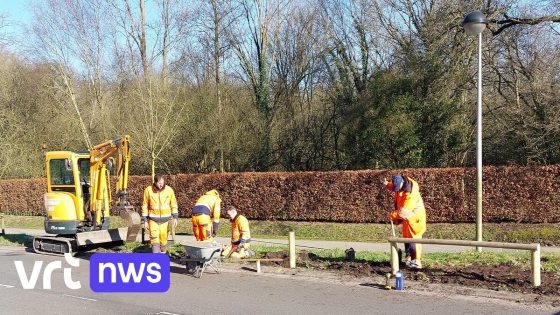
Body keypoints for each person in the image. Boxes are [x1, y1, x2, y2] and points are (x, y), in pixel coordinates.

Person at [385, 174, 427, 269]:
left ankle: (416, 261)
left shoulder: (410, 193)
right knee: (406, 238)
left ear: (402, 183)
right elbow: (394, 186)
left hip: (415, 218)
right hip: (407, 218)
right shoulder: (400, 184)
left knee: (414, 239)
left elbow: (404, 211)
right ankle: (408, 258)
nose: (396, 190)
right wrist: (387, 184)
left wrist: (392, 215)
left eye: (397, 187)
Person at [141, 174, 178, 253]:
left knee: (163, 240)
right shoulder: (148, 190)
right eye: (159, 183)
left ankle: (162, 253)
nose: (161, 184)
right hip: (153, 220)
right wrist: (145, 220)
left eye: (162, 182)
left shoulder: (169, 190)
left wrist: (175, 217)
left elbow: (174, 204)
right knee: (154, 239)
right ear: (155, 182)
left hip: (166, 220)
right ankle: (156, 258)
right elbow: (144, 206)